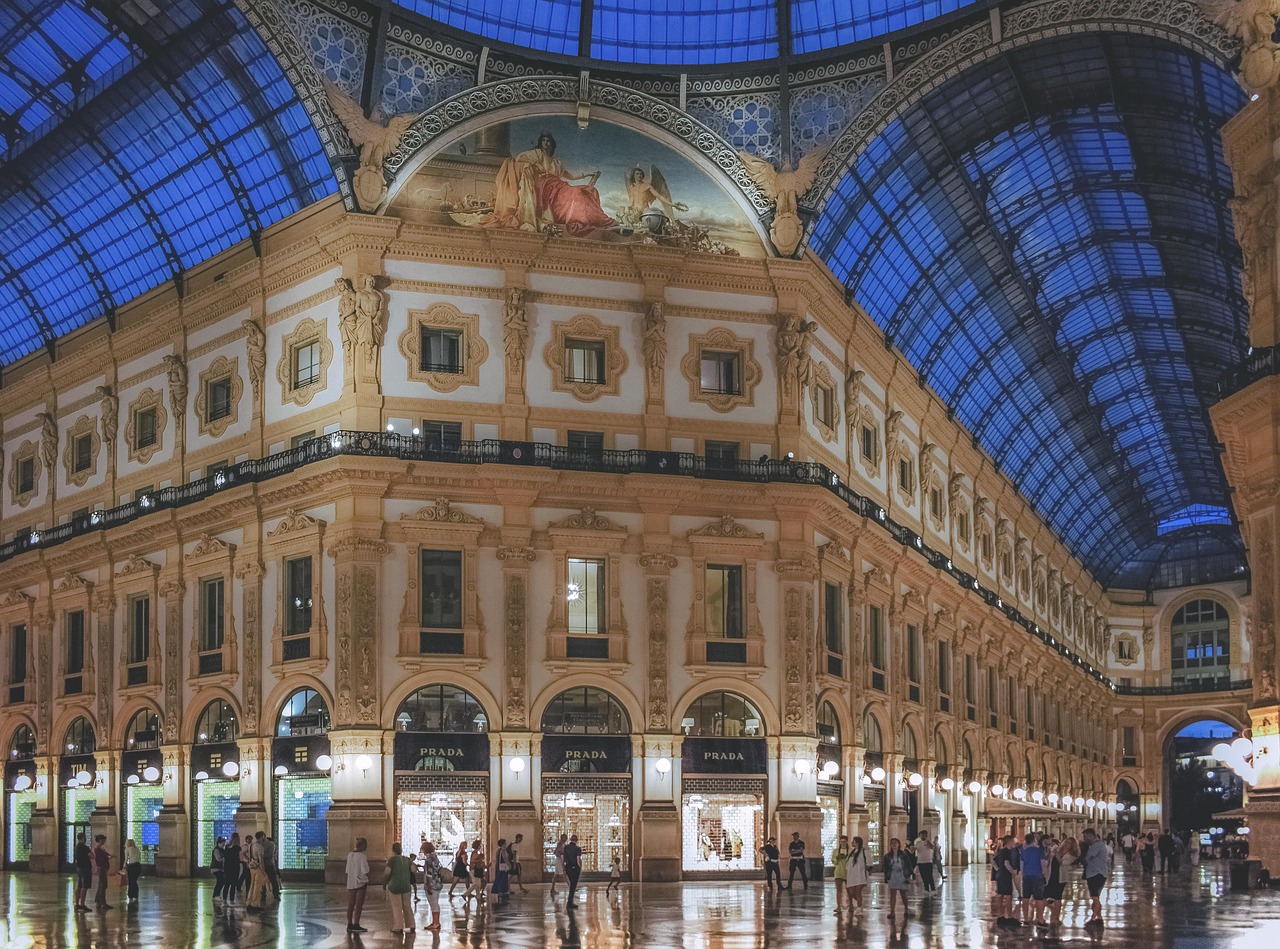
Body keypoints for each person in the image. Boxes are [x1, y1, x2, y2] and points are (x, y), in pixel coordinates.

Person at [1044, 836, 1079, 928]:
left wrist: (1056, 854)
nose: (1066, 844)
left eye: (1069, 843)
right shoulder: (1058, 850)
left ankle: (1056, 917)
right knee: (1045, 895)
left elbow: (1062, 862)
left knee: (1057, 897)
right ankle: (1044, 915)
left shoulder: (1072, 855)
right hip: (1051, 875)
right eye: (1066, 842)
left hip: (1060, 877)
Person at [384, 842, 415, 934]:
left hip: (395, 886)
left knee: (397, 906)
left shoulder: (392, 860)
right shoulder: (407, 859)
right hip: (406, 885)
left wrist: (384, 881)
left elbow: (387, 872)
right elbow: (413, 870)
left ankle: (399, 927)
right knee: (407, 906)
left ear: (393, 850)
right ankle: (411, 925)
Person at [882, 837, 915, 920]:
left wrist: (910, 874)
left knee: (903, 893)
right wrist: (886, 877)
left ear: (899, 844)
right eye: (892, 843)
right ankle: (892, 911)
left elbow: (908, 865)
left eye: (895, 843)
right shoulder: (887, 856)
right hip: (892, 874)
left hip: (902, 874)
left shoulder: (904, 854)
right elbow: (885, 867)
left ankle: (906, 909)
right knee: (892, 894)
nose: (893, 844)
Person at [1082, 828, 1109, 928]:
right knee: (1096, 897)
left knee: (1095, 897)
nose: (1084, 839)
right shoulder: (1099, 844)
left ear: (1091, 835)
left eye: (1085, 836)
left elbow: (1087, 858)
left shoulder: (1096, 845)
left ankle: (1093, 918)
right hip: (1099, 873)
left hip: (1095, 873)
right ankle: (1099, 917)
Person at [1019, 833, 1046, 928]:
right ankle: (1040, 919)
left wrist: (1023, 875)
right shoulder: (1039, 850)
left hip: (1026, 876)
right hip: (1037, 875)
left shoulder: (1023, 851)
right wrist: (1045, 874)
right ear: (1034, 839)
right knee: (1039, 898)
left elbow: (1021, 865)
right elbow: (1043, 863)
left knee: (1025, 898)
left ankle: (1026, 919)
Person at [993, 834, 1019, 928]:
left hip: (1000, 875)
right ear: (1010, 842)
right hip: (1005, 876)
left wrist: (998, 869)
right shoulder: (1007, 852)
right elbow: (1006, 863)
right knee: (1008, 896)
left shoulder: (1000, 851)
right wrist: (1013, 872)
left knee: (1000, 895)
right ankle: (1009, 916)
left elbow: (993, 860)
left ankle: (1000, 915)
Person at [345, 837, 370, 933]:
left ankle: (349, 924)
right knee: (359, 905)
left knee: (350, 904)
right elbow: (365, 870)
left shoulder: (350, 855)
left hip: (350, 882)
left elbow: (347, 870)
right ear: (363, 846)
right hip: (360, 882)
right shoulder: (362, 856)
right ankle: (356, 924)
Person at [420, 840, 443, 931]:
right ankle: (435, 922)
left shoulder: (428, 860)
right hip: (437, 883)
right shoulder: (435, 858)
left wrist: (428, 885)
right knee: (435, 903)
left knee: (433, 904)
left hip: (431, 884)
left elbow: (429, 874)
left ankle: (436, 923)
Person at [846, 836, 870, 915]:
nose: (852, 843)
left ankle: (859, 908)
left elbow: (869, 863)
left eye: (853, 841)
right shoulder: (852, 852)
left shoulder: (864, 851)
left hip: (860, 875)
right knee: (851, 892)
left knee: (858, 892)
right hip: (851, 875)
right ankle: (861, 903)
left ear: (857, 842)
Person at [245, 831, 269, 910]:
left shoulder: (252, 845)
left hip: (252, 868)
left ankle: (249, 902)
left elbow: (249, 857)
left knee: (252, 886)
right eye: (264, 837)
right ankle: (254, 905)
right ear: (262, 837)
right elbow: (261, 861)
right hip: (258, 868)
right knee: (257, 887)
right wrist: (264, 872)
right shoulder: (260, 847)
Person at [73, 832, 92, 911]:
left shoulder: (77, 847)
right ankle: (82, 904)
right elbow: (92, 856)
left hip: (79, 867)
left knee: (79, 886)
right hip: (85, 868)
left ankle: (77, 904)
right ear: (83, 838)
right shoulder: (84, 847)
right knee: (85, 886)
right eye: (85, 837)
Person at [92, 835, 113, 910]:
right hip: (102, 868)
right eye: (104, 840)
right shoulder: (97, 849)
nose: (104, 841)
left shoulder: (101, 848)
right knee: (103, 885)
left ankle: (98, 901)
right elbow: (101, 858)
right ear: (100, 840)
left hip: (103, 868)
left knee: (101, 885)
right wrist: (107, 857)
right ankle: (103, 903)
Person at [831, 835, 850, 912]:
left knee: (849, 891)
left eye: (844, 842)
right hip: (838, 872)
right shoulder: (836, 851)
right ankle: (838, 906)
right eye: (841, 842)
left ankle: (851, 905)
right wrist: (837, 859)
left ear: (846, 842)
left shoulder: (850, 851)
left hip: (848, 872)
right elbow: (833, 861)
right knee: (839, 890)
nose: (842, 843)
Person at [563, 833, 583, 902]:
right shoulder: (578, 849)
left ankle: (570, 901)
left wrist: (564, 867)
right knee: (573, 885)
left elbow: (564, 858)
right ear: (576, 840)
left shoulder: (566, 847)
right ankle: (570, 901)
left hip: (568, 867)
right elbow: (578, 859)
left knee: (571, 884)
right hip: (575, 868)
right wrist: (579, 867)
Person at [123, 838, 142, 903]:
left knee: (131, 881)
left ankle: (131, 895)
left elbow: (126, 859)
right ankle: (135, 895)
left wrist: (124, 866)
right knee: (134, 881)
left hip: (132, 866)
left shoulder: (127, 849)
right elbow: (139, 857)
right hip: (138, 865)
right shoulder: (137, 849)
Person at [263, 833, 281, 901]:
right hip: (264, 864)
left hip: (269, 864)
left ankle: (275, 894)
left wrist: (261, 855)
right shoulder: (259, 844)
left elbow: (270, 854)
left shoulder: (270, 844)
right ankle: (263, 895)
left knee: (273, 880)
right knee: (263, 881)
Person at [210, 836, 227, 905]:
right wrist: (224, 859)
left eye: (224, 843)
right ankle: (216, 895)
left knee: (221, 881)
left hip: (220, 868)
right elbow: (218, 859)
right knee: (221, 881)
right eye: (223, 843)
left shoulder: (222, 850)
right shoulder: (216, 850)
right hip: (215, 868)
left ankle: (216, 895)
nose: (224, 845)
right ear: (219, 843)